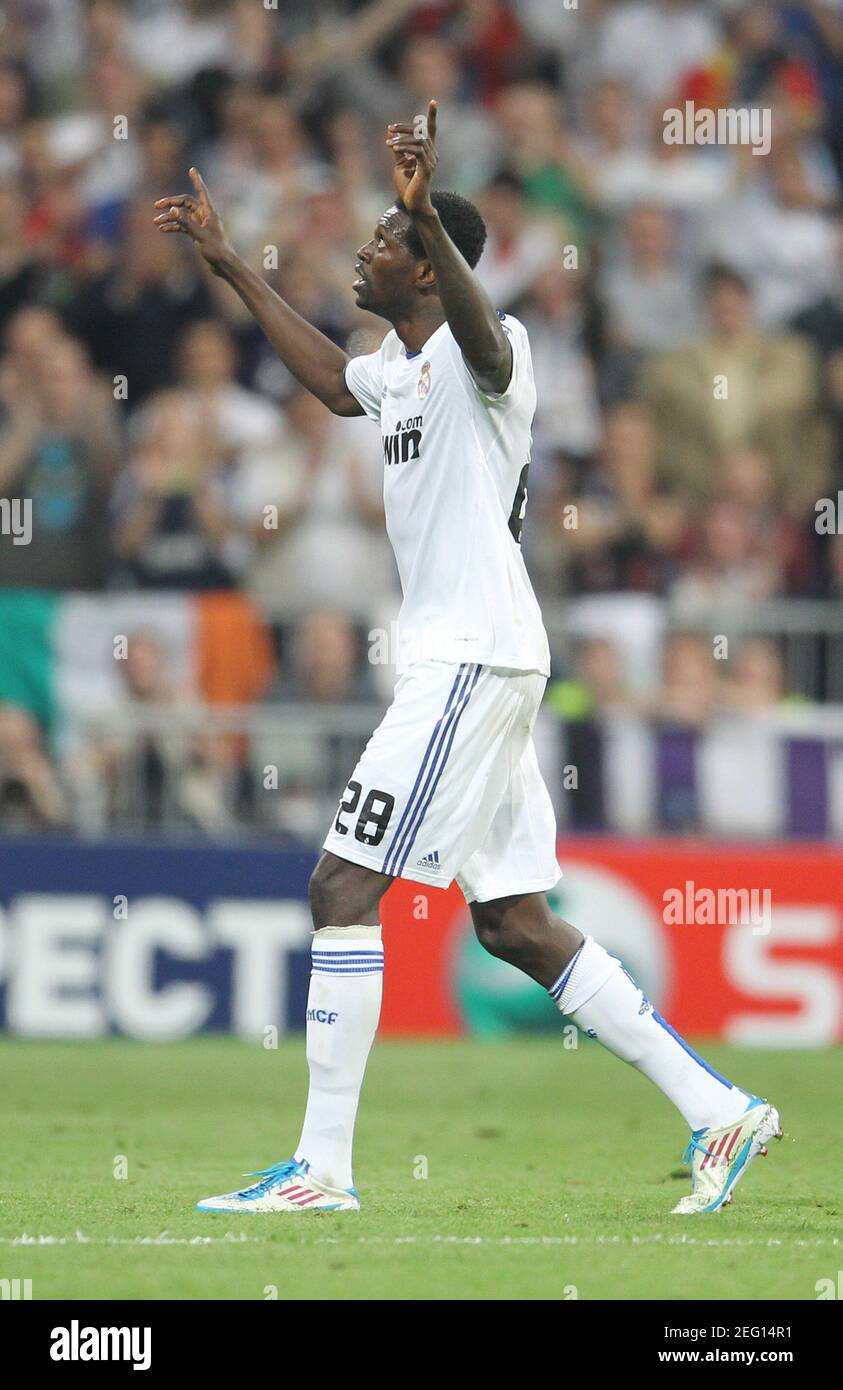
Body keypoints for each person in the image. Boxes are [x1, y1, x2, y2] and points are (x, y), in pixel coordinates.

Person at [153, 100, 780, 1218]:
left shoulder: (496, 354)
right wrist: (231, 267)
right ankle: (716, 1108)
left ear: (429, 270)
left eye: (385, 242)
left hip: (469, 661)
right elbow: (324, 378)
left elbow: (485, 337)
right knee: (512, 922)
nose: (365, 250)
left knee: (340, 884)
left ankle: (322, 1172)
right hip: (474, 662)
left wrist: (427, 218)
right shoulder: (396, 370)